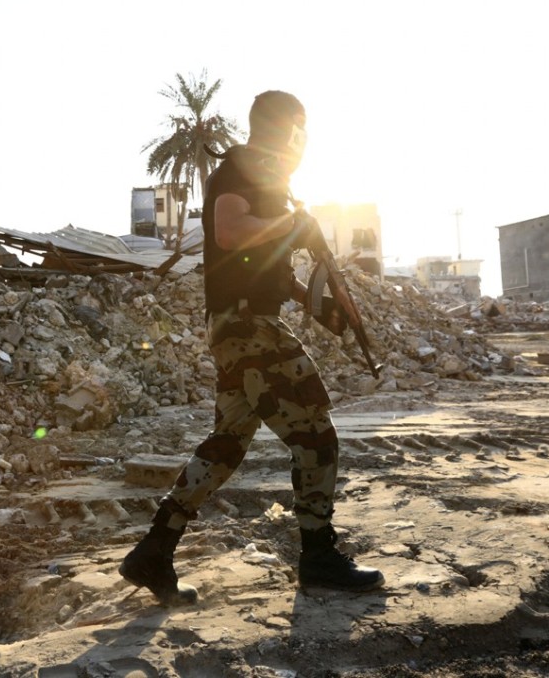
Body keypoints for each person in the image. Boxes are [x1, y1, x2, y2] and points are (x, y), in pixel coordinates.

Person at [119, 90, 384, 606]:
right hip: (245, 327)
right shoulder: (241, 169)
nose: (303, 142)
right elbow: (231, 231)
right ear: (286, 128)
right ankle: (318, 557)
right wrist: (294, 224)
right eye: (300, 130)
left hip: (240, 323)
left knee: (227, 445)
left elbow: (266, 270)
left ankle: (155, 549)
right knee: (316, 437)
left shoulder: (271, 183)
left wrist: (320, 308)